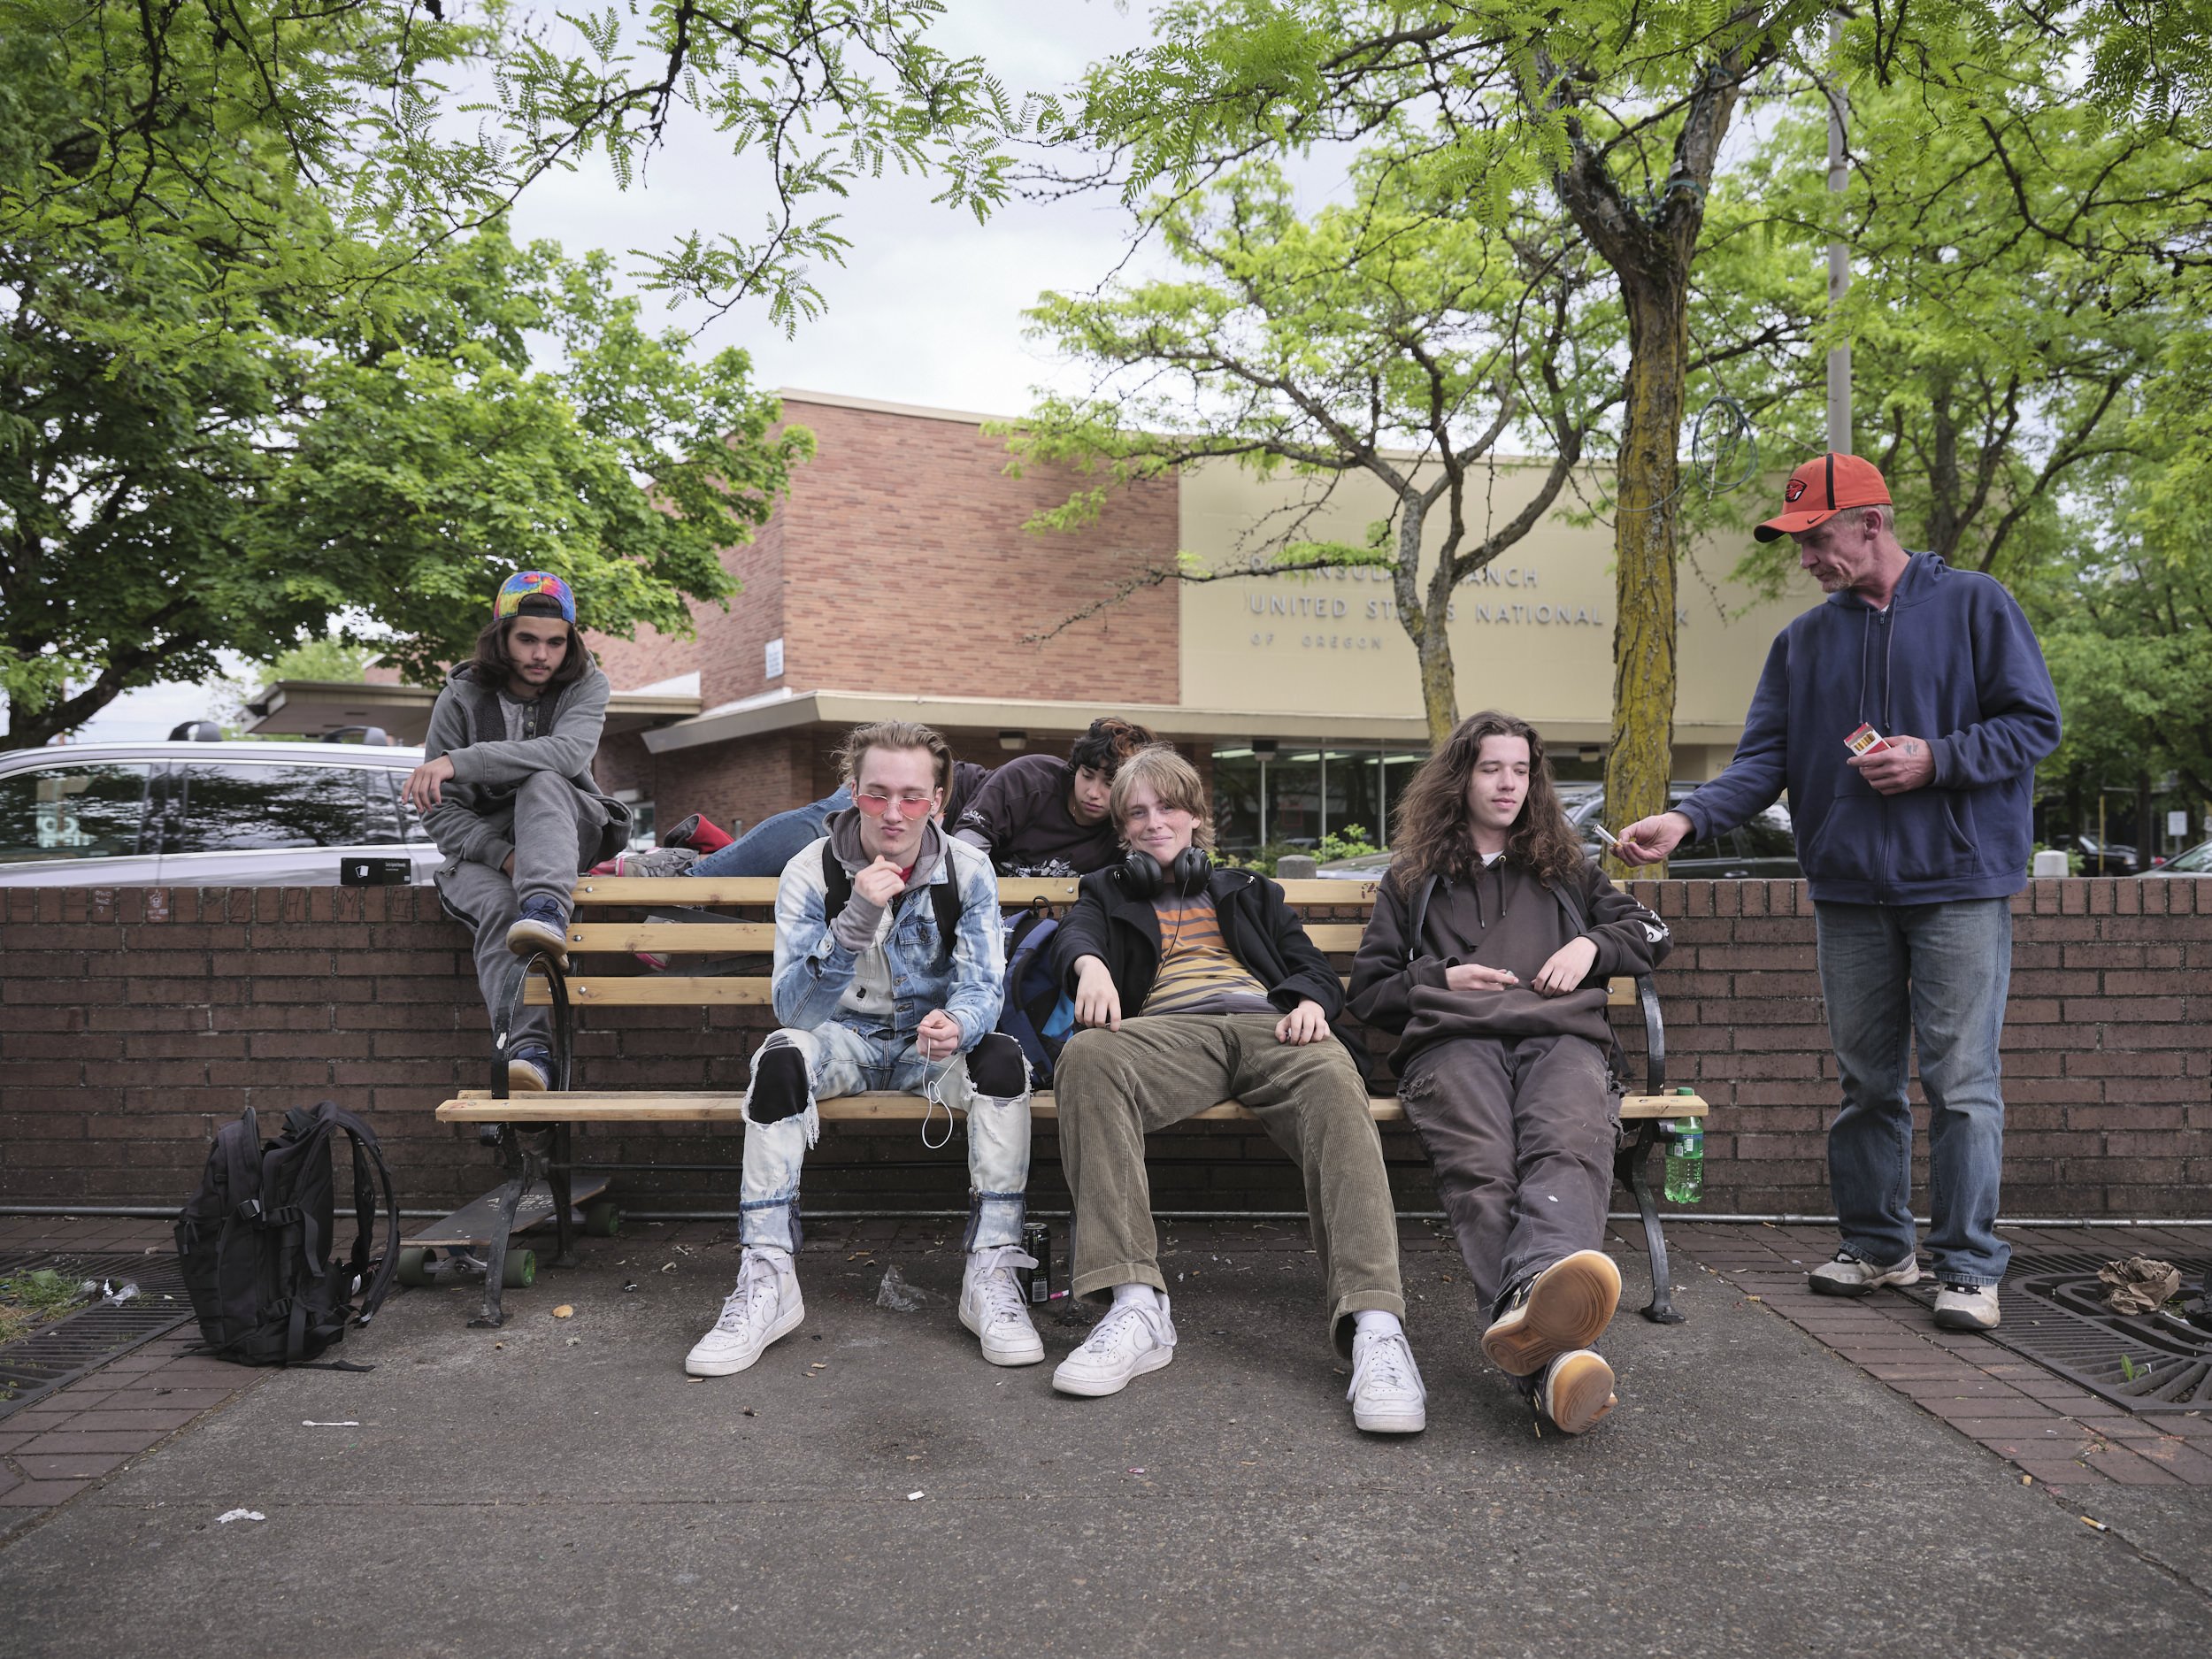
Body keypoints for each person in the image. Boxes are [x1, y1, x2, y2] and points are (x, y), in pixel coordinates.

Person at [1616, 453, 2061, 1333]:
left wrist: (1936, 758)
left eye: (1816, 537)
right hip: (1850, 891)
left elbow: (2031, 723)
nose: (1807, 558)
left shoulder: (1976, 604)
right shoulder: (1803, 642)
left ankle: (1968, 1268)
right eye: (1797, 543)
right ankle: (1877, 1248)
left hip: (1959, 884)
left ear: (1871, 522)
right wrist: (1688, 820)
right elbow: (1762, 761)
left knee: (1960, 1080)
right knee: (1865, 1082)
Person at [1045, 745, 1425, 1433]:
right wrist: (1091, 963)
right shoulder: (1108, 889)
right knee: (1088, 1057)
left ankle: (1375, 1326)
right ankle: (1136, 1304)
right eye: (1137, 812)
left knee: (1337, 1080)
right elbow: (1074, 932)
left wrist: (1311, 1001)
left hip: (1268, 1027)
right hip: (1169, 1036)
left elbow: (1309, 963)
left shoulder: (1249, 889)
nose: (1153, 821)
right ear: (1123, 829)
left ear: (1194, 816)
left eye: (1167, 806)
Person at [685, 720, 1041, 1377]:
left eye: (912, 795)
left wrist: (958, 1025)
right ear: (852, 792)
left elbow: (983, 984)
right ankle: (767, 1276)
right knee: (781, 1054)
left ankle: (992, 1270)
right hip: (839, 1041)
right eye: (878, 794)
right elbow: (793, 1008)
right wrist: (853, 921)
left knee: (1001, 1059)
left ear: (939, 799)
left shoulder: (969, 870)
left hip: (928, 1051)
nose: (895, 812)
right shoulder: (809, 869)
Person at [1348, 712, 1671, 1435]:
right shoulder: (1411, 878)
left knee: (1567, 1143)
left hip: (1560, 1038)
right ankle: (1556, 1352)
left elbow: (1653, 933)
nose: (1507, 784)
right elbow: (1367, 991)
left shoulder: (1566, 868)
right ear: (1461, 776)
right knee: (1485, 1164)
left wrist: (1592, 946)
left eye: (1521, 771)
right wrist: (1443, 976)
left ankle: (1534, 1329)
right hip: (1454, 1043)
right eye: (1492, 768)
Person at [409, 572, 630, 1092]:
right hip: (487, 858)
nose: (541, 654)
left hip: (570, 831)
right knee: (502, 908)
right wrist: (505, 857)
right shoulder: (460, 700)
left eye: (555, 642)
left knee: (544, 780)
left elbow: (568, 753)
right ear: (502, 638)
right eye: (527, 639)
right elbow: (440, 813)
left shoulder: (587, 686)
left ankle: (548, 911)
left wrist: (460, 761)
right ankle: (529, 1053)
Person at [951, 717, 1156, 875]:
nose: (1093, 793)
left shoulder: (1129, 826)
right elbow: (965, 853)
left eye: (1109, 784)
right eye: (1086, 775)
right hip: (947, 803)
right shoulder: (1028, 779)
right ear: (1076, 768)